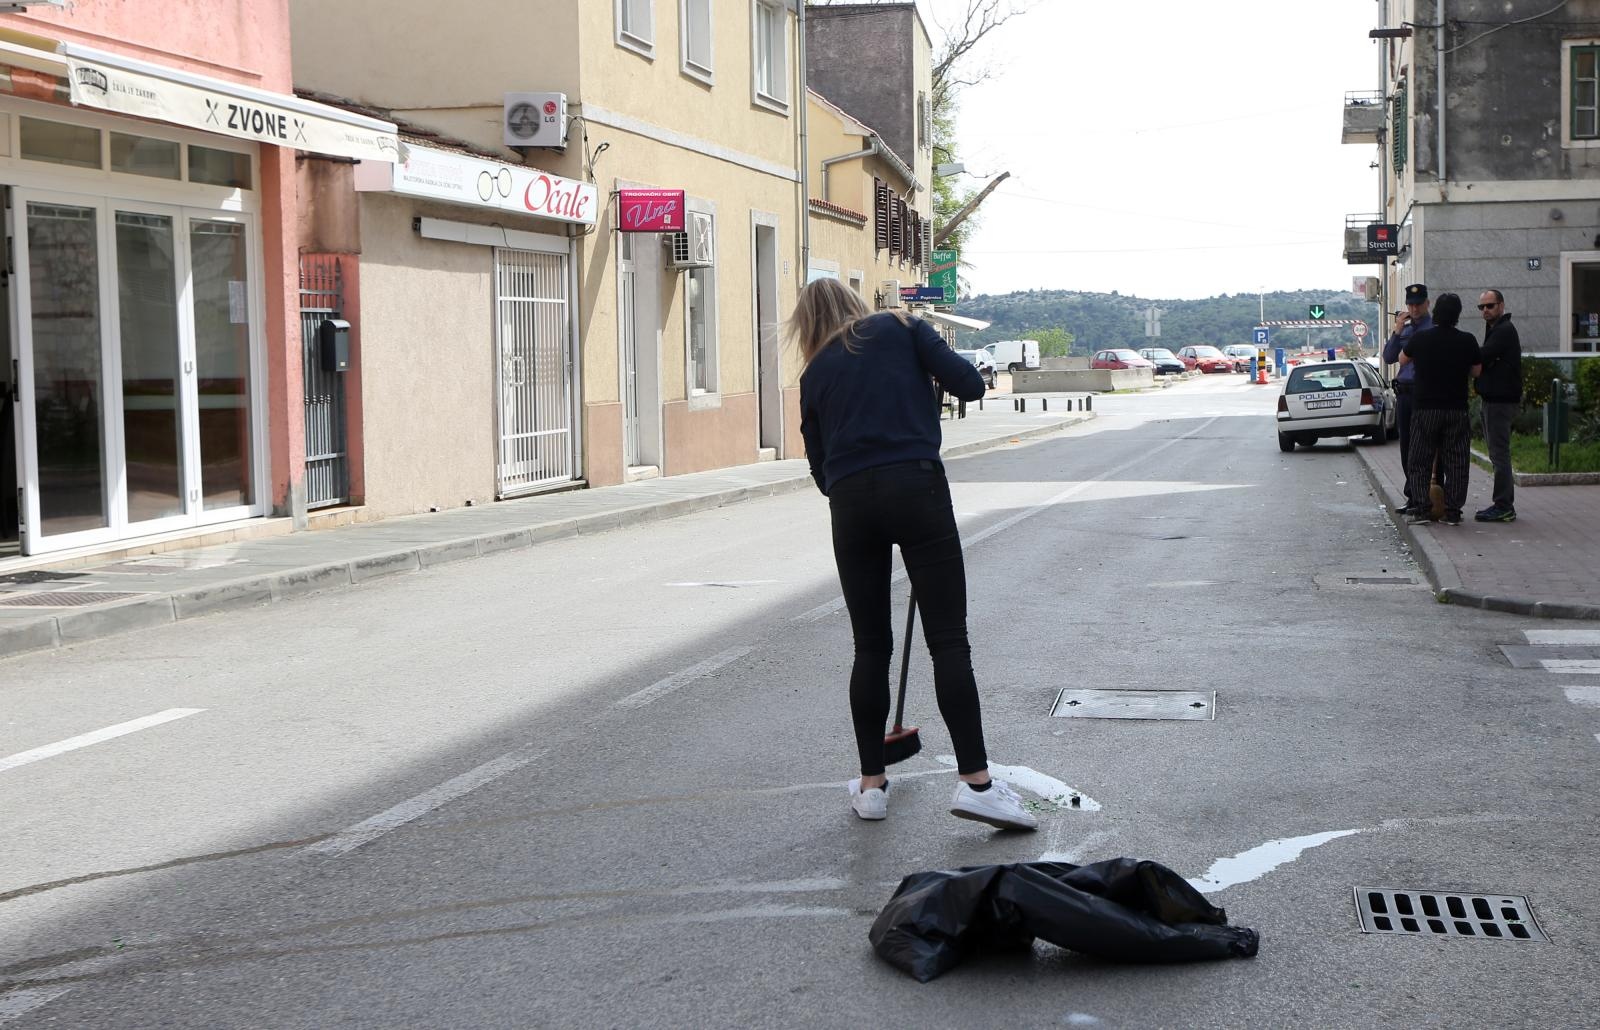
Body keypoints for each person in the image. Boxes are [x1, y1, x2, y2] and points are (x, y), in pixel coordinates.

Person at [791, 278, 1036, 831]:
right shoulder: (903, 327)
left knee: (869, 645)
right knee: (949, 641)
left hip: (851, 504)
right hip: (917, 487)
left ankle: (872, 786)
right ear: (858, 306)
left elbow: (819, 466)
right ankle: (977, 785)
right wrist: (924, 384)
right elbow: (971, 386)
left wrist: (863, 491)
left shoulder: (815, 371)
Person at [1400, 292, 1483, 526]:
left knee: (1419, 458)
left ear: (1434, 312)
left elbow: (1402, 359)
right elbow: (1477, 371)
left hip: (1425, 407)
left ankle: (1421, 508)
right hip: (1456, 408)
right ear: (1457, 315)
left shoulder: (1421, 338)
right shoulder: (1467, 340)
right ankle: (1453, 511)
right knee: (1457, 460)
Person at [1383, 283, 1433, 514]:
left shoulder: (1432, 327)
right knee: (1406, 448)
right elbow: (1389, 357)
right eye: (1410, 305)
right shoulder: (1405, 329)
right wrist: (1397, 330)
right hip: (1404, 394)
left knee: (1424, 448)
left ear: (1427, 304)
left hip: (1424, 393)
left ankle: (1429, 495)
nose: (1414, 309)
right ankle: (1413, 494)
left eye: (1418, 304)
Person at [1474, 289, 1521, 523]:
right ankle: (1502, 503)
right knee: (1496, 453)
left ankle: (1504, 505)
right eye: (1481, 307)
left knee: (1499, 453)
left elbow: (1482, 355)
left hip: (1500, 402)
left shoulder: (1503, 331)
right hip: (1494, 399)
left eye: (1490, 306)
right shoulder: (1495, 329)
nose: (1485, 311)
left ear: (1501, 306)